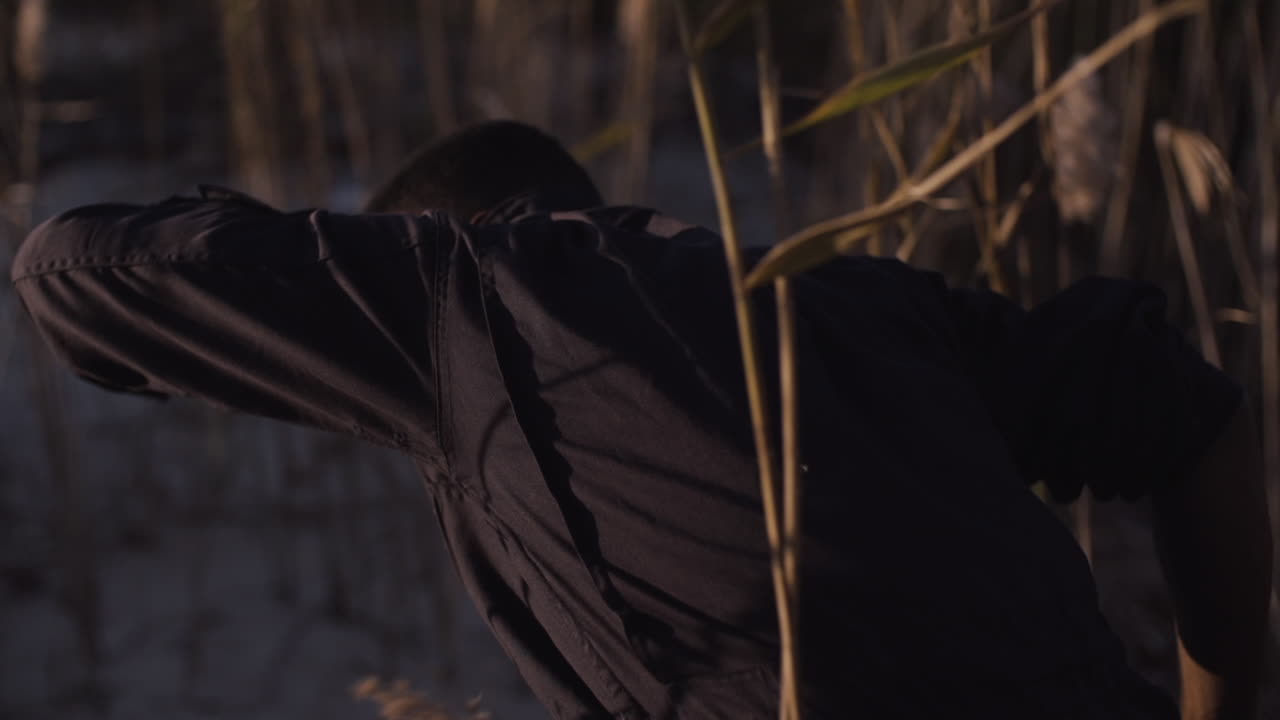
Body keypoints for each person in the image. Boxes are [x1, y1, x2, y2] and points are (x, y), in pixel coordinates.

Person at [10, 121, 1271, 719]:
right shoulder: (858, 301)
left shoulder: (469, 295)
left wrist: (325, 262)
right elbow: (1196, 417)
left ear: (428, 237)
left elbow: (64, 270)